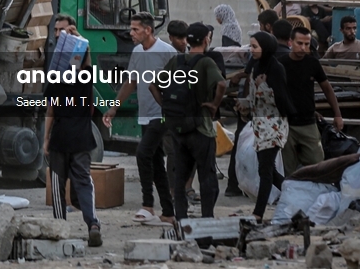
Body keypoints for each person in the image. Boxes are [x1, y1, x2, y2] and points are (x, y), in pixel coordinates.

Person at [103, 12, 177, 225]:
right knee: (155, 161)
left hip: (162, 115)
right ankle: (168, 212)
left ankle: (147, 204)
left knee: (143, 154)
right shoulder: (137, 51)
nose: (131, 33)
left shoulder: (167, 52)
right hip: (145, 115)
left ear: (148, 30)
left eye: (135, 29)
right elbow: (131, 81)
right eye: (131, 28)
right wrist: (114, 108)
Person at [151, 23, 227, 220]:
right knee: (207, 176)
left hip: (178, 129)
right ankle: (207, 220)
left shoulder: (176, 61)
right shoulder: (206, 62)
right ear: (205, 40)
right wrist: (213, 105)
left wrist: (166, 108)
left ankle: (181, 220)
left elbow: (153, 86)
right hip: (201, 129)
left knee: (179, 177)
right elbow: (221, 83)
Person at [43, 53, 102, 247]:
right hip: (81, 139)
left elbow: (50, 112)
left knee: (57, 184)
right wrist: (82, 44)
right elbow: (88, 60)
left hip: (60, 138)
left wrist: (46, 139)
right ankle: (93, 224)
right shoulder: (85, 77)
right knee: (84, 181)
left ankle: (60, 226)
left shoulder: (55, 80)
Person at [242, 32, 292, 222]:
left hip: (274, 126)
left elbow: (280, 98)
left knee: (265, 170)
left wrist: (263, 87)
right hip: (260, 125)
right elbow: (254, 97)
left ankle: (258, 213)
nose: (251, 50)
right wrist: (245, 104)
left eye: (255, 46)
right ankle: (296, 192)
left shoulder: (276, 68)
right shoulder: (256, 67)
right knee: (268, 169)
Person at [279, 27, 344, 173]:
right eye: (299, 43)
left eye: (307, 44)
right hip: (286, 124)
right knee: (287, 169)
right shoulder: (280, 64)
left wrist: (337, 114)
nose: (303, 48)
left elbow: (327, 88)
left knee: (318, 165)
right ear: (290, 42)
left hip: (308, 124)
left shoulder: (312, 63)